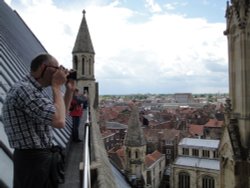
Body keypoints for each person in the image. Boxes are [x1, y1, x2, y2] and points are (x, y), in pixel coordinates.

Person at [2, 53, 76, 188]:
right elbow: (59, 121)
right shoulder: (24, 90)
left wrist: (69, 91)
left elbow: (61, 115)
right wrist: (56, 87)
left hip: (36, 160)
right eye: (56, 69)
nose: (59, 73)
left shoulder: (34, 90)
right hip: (32, 161)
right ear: (44, 67)